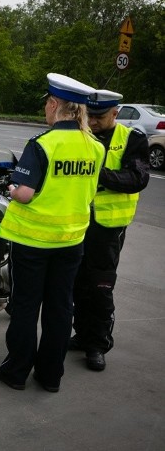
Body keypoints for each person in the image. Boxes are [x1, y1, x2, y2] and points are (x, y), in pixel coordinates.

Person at [0, 73, 105, 392]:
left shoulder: (43, 144)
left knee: (26, 307)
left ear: (55, 104)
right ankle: (51, 376)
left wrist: (13, 187)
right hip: (71, 241)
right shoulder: (95, 147)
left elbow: (25, 193)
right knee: (60, 308)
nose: (45, 108)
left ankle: (15, 372)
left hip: (32, 241)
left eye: (46, 102)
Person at [70, 89, 149, 371]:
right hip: (77, 222)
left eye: (99, 117)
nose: (91, 121)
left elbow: (137, 177)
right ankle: (81, 335)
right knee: (77, 283)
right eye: (88, 115)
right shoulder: (80, 135)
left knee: (100, 287)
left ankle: (98, 344)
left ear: (116, 113)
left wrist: (98, 175)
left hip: (108, 227)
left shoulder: (132, 138)